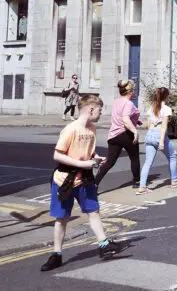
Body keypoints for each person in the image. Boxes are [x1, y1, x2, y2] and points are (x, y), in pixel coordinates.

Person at [40, 94, 129, 272]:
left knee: (93, 211)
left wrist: (95, 158)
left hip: (85, 178)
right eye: (99, 110)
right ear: (90, 109)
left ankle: (104, 245)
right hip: (64, 180)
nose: (100, 114)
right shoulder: (71, 129)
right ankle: (56, 255)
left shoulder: (92, 129)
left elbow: (89, 152)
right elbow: (57, 155)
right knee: (61, 218)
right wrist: (82, 163)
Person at [94, 80, 141, 190]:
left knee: (110, 162)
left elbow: (120, 116)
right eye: (133, 89)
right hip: (126, 134)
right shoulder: (129, 103)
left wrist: (135, 121)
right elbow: (125, 119)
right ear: (130, 91)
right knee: (134, 158)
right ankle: (136, 181)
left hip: (114, 135)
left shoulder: (116, 101)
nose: (134, 91)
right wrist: (135, 131)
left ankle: (94, 184)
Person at [137, 87, 177, 193]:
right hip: (159, 135)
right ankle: (174, 180)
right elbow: (164, 126)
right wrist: (161, 141)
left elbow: (148, 124)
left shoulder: (152, 107)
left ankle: (142, 186)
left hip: (150, 134)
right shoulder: (166, 109)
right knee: (172, 156)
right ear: (166, 96)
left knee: (148, 162)